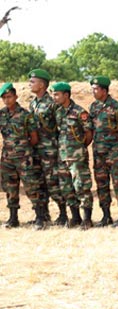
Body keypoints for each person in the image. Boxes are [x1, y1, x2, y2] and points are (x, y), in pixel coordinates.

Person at [89, 76, 118, 227]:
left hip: (114, 153)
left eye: (95, 89)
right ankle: (106, 215)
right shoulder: (93, 107)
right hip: (98, 153)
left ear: (104, 90)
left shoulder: (117, 107)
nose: (93, 92)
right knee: (101, 184)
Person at [0, 83, 42, 229]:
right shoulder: (1, 114)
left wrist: (24, 149)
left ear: (16, 97)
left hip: (24, 158)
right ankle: (13, 218)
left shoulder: (26, 115)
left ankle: (39, 218)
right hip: (7, 158)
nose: (7, 100)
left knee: (31, 187)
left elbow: (34, 137)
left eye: (9, 97)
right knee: (10, 188)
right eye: (4, 98)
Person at [52, 82, 94, 229]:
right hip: (63, 156)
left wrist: (80, 148)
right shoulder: (58, 112)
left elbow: (88, 133)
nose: (54, 97)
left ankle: (87, 219)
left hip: (77, 157)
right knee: (66, 188)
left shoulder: (79, 112)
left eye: (57, 94)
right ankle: (75, 217)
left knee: (81, 186)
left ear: (66, 95)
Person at [28, 69, 65, 225]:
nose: (29, 84)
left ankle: (63, 214)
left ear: (42, 85)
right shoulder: (33, 103)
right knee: (38, 182)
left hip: (50, 150)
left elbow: (61, 127)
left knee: (53, 182)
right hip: (36, 149)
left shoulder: (52, 104)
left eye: (32, 81)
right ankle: (43, 215)